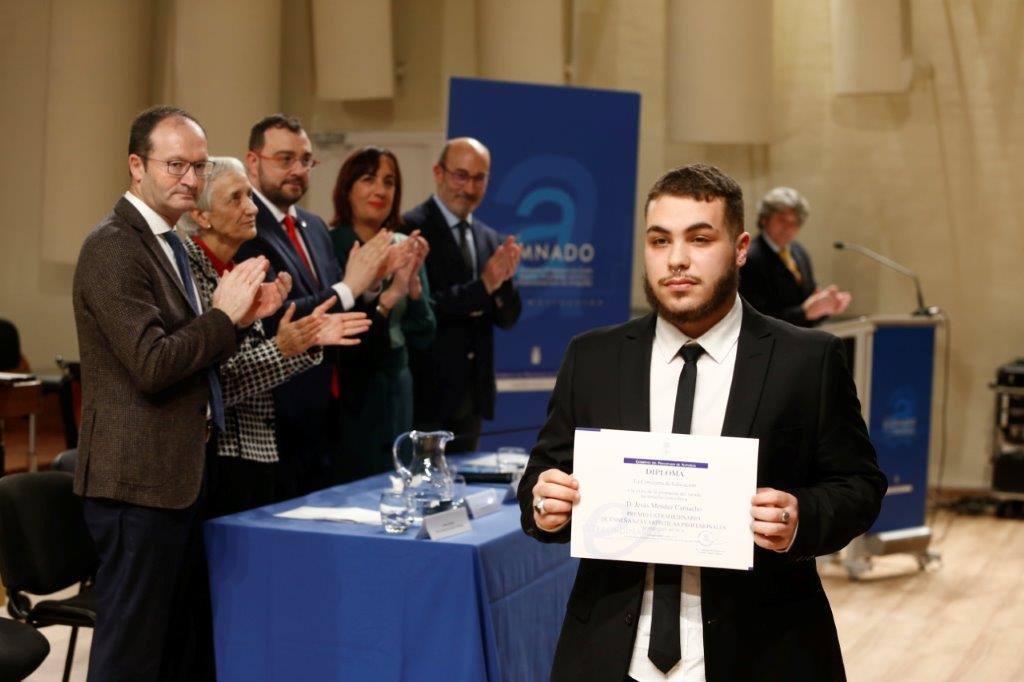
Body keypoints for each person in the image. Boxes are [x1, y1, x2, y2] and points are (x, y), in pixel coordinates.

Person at [518, 164, 886, 681]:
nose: (677, 260)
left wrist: (801, 516)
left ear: (739, 249)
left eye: (699, 238)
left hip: (763, 650)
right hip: (609, 653)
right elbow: (543, 476)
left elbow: (860, 486)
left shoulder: (807, 359)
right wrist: (544, 503)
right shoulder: (593, 358)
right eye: (659, 239)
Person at [73, 106, 274, 680]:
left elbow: (194, 358)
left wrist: (236, 322)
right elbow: (153, 364)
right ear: (137, 166)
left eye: (199, 165)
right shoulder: (113, 245)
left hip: (180, 474)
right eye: (175, 165)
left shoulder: (170, 243)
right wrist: (223, 319)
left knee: (180, 648)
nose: (190, 178)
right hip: (135, 482)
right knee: (132, 656)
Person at [178, 157, 372, 515]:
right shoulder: (184, 273)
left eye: (249, 196)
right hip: (213, 456)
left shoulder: (239, 270)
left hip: (255, 449)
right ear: (201, 217)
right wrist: (285, 348)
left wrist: (303, 341)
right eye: (235, 199)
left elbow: (242, 366)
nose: (252, 208)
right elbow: (212, 385)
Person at [236, 114, 393, 496]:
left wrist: (372, 288)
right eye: (284, 159)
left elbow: (341, 310)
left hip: (327, 413)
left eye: (306, 160)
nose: (297, 170)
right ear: (253, 162)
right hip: (277, 415)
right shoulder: (244, 226)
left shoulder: (313, 225)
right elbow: (277, 318)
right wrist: (347, 286)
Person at [402, 137, 522, 452]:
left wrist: (503, 283)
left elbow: (508, 318)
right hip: (426, 395)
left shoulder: (490, 238)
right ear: (438, 173)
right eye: (461, 175)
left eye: (478, 178)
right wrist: (483, 287)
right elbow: (427, 307)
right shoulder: (411, 229)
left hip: (472, 398)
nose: (468, 188)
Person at [329, 147, 435, 480]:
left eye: (389, 182)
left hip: (399, 385)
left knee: (399, 477)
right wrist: (388, 295)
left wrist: (412, 285)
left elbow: (425, 331)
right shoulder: (331, 244)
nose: (380, 190)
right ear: (347, 189)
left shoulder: (405, 244)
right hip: (352, 388)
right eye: (368, 179)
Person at [739, 186, 851, 327]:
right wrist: (804, 312)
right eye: (782, 220)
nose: (789, 228)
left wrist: (826, 307)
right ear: (764, 220)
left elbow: (809, 305)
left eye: (795, 222)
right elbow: (755, 318)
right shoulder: (749, 257)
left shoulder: (799, 252)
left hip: (801, 340)